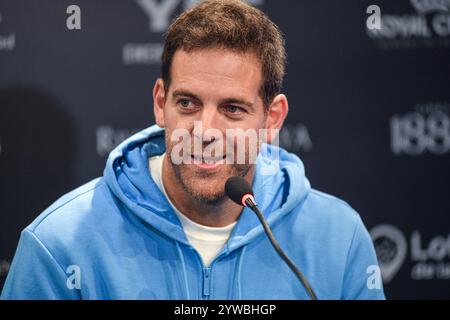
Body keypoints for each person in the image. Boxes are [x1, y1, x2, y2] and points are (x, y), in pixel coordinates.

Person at [1, 0, 385, 300]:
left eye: (233, 109)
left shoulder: (339, 238)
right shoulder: (59, 243)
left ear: (272, 118)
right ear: (159, 103)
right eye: (188, 104)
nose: (205, 131)